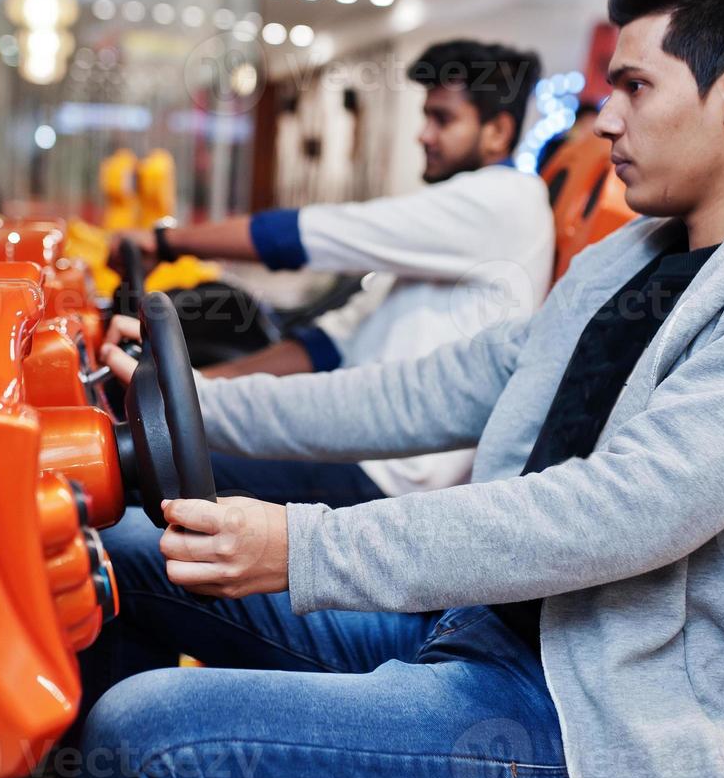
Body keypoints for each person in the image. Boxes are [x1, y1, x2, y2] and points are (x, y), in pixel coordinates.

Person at [67, 0, 724, 778]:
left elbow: (626, 510)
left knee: (146, 733)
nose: (604, 121)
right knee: (117, 563)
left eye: (634, 87)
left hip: (585, 719)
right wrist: (200, 408)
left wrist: (307, 547)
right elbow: (425, 391)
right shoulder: (630, 257)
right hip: (476, 618)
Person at [112, 41, 551, 508]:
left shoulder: (507, 201)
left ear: (497, 132)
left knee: (132, 470)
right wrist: (199, 388)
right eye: (425, 116)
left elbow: (310, 236)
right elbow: (328, 343)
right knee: (142, 454)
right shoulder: (447, 230)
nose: (423, 134)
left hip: (391, 477)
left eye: (442, 119)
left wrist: (164, 241)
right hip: (354, 443)